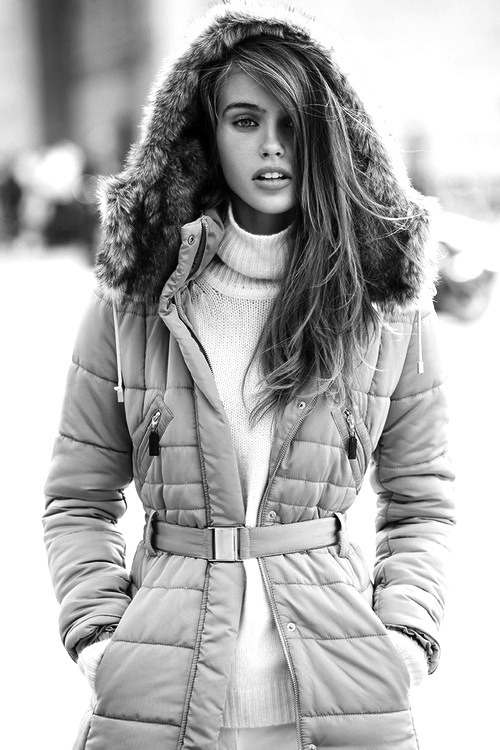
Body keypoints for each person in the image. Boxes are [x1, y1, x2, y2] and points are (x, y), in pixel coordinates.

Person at [43, 2, 455, 749]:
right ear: (207, 134)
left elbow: (421, 499)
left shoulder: (383, 300)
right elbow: (79, 496)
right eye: (244, 120)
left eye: (293, 122)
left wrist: (404, 636)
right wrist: (100, 637)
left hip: (343, 695)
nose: (272, 146)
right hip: (156, 701)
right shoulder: (136, 296)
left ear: (328, 131)